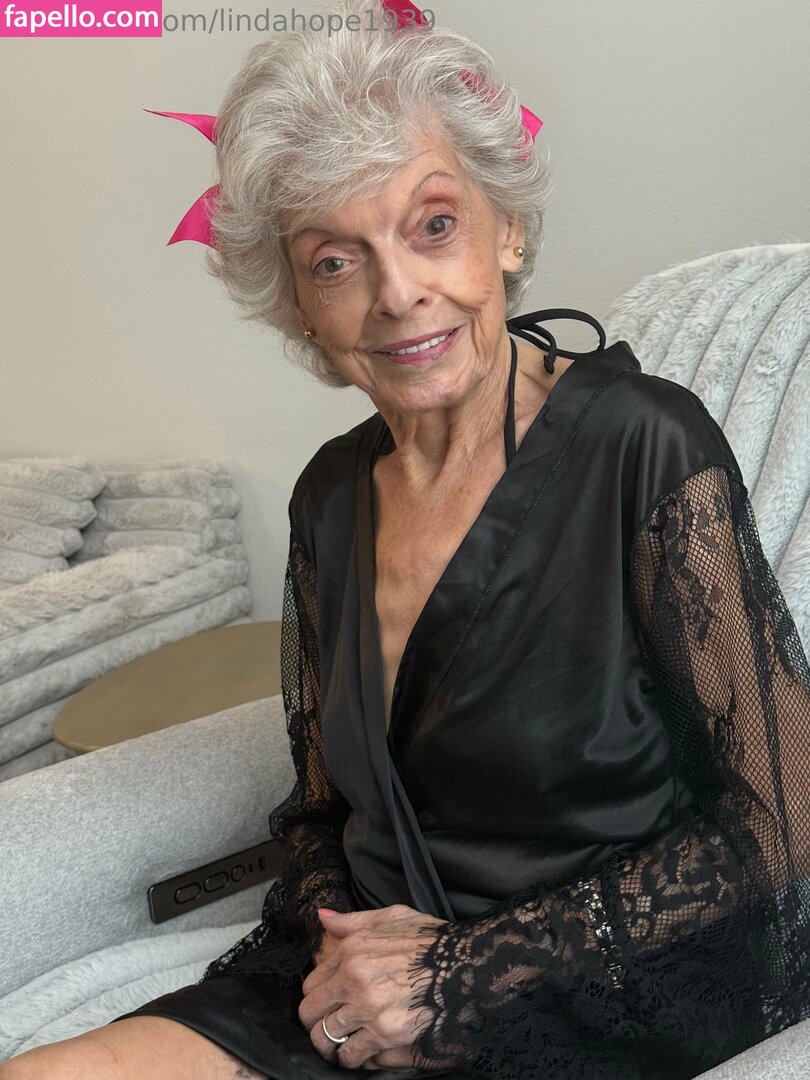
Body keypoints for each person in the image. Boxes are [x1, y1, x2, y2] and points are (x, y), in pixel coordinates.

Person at [5, 1, 809, 1077]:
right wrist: (352, 956)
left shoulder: (642, 443)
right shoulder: (331, 496)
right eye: (334, 261)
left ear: (504, 229)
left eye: (432, 225)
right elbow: (319, 812)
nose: (397, 294)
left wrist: (457, 975)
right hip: (354, 977)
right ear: (299, 305)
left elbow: (787, 818)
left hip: (581, 986)